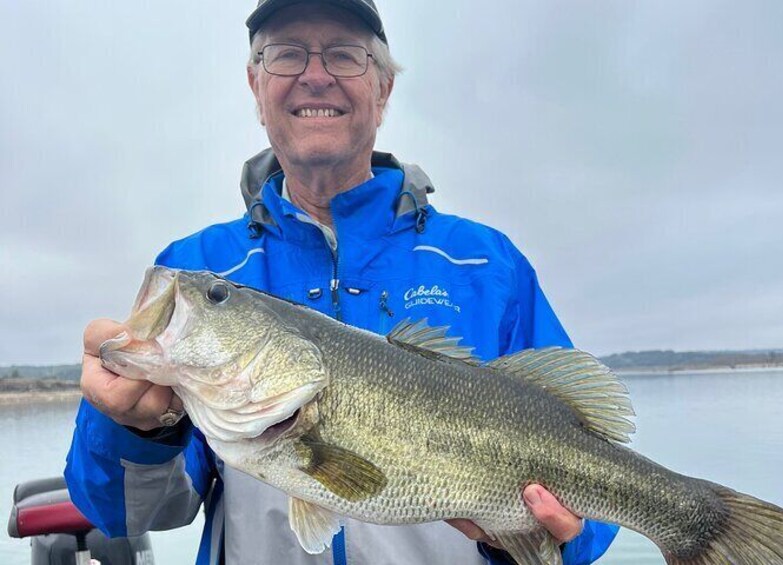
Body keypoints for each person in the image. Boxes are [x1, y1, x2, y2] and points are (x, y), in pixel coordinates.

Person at [64, 1, 619, 563]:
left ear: (383, 91)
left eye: (343, 55)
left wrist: (539, 538)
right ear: (256, 87)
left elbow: (590, 521)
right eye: (286, 55)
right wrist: (132, 429)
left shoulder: (486, 265)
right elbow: (130, 516)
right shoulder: (202, 262)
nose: (315, 75)